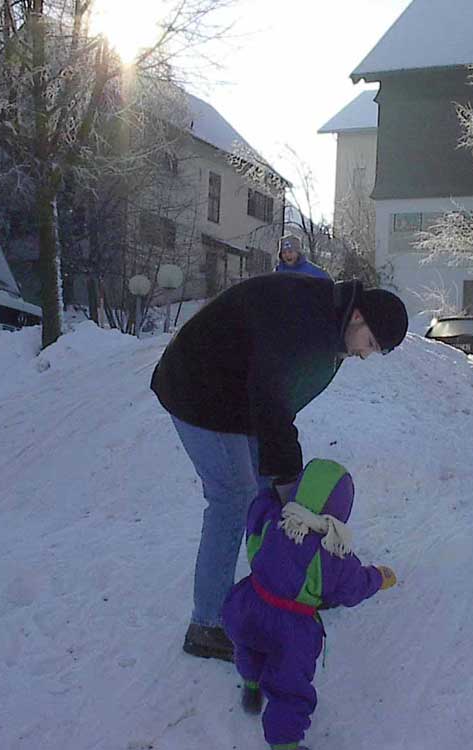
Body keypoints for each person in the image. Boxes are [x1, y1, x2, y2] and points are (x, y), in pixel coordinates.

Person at [150, 274, 408, 661]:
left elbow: (274, 403)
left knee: (268, 489)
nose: (366, 354)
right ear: (357, 316)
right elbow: (273, 402)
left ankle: (289, 584)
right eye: (370, 343)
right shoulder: (306, 324)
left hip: (239, 395)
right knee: (233, 499)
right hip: (196, 389)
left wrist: (284, 482)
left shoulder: (332, 323)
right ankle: (206, 624)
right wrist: (290, 483)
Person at [221, 458, 396, 750]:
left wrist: (269, 494)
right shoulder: (332, 553)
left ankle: (251, 686)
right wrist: (379, 577)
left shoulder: (274, 519)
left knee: (249, 646)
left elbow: (254, 519)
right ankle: (285, 744)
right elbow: (352, 588)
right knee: (289, 689)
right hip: (290, 630)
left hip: (249, 605)